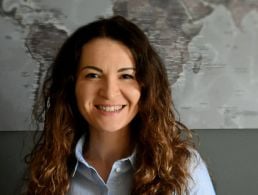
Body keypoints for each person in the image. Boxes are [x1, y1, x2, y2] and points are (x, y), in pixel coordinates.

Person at [25, 15, 216, 194]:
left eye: (126, 76)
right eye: (93, 75)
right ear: (71, 85)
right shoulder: (46, 173)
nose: (109, 92)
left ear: (146, 86)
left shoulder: (185, 169)